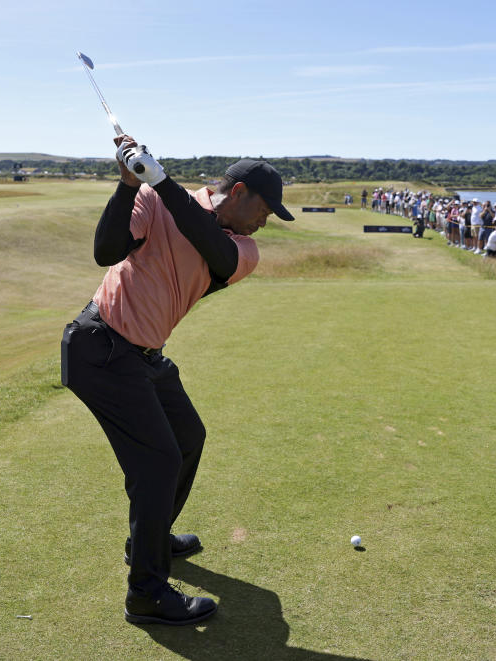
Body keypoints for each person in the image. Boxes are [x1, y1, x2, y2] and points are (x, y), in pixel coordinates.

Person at [60, 135, 294, 626]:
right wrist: (129, 186)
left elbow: (207, 242)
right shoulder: (152, 198)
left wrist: (161, 181)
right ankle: (145, 594)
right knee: (159, 461)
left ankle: (150, 535)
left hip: (144, 356)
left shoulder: (240, 250)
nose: (264, 222)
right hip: (99, 348)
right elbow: (106, 252)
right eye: (265, 209)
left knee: (188, 438)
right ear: (239, 191)